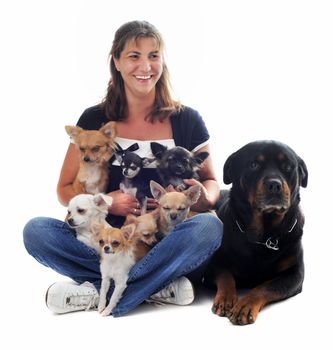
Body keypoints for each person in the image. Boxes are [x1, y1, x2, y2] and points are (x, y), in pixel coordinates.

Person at [23, 20, 223, 317]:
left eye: (154, 55)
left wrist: (202, 196)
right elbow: (64, 190)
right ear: (116, 61)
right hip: (112, 242)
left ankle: (101, 291)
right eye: (134, 56)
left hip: (166, 240)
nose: (146, 66)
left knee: (209, 227)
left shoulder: (187, 120)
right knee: (36, 231)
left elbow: (211, 183)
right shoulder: (94, 120)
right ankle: (158, 285)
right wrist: (106, 202)